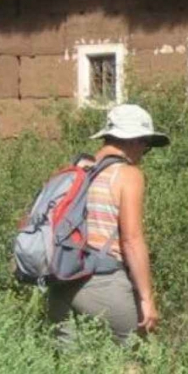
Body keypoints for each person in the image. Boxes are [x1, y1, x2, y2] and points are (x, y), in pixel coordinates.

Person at [46, 103, 168, 345]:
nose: (145, 151)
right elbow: (132, 241)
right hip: (102, 280)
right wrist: (147, 299)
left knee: (75, 372)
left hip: (60, 281)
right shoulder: (126, 174)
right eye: (145, 144)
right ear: (134, 140)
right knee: (138, 356)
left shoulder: (74, 170)